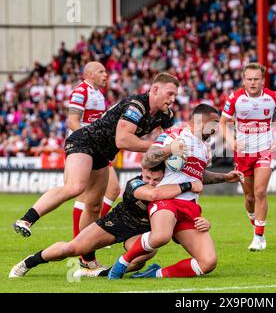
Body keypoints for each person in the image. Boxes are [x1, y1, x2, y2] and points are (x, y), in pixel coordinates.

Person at [12, 73, 179, 269]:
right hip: (84, 141)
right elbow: (122, 140)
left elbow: (172, 137)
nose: (173, 99)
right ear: (155, 90)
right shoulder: (137, 105)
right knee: (76, 186)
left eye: (175, 95)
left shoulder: (165, 114)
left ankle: (87, 258)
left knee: (93, 206)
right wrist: (160, 148)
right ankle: (27, 219)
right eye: (170, 94)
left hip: (103, 154)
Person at [107, 104, 244, 279]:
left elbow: (197, 176)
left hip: (190, 207)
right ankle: (123, 262)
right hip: (167, 199)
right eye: (214, 123)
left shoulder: (204, 148)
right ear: (200, 121)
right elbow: (147, 161)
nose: (216, 128)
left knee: (208, 262)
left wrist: (225, 177)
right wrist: (169, 150)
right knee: (161, 236)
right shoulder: (173, 136)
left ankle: (153, 274)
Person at [9, 163, 207, 278]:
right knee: (73, 249)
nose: (152, 182)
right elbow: (153, 194)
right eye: (148, 177)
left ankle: (97, 274)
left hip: (140, 232)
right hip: (117, 222)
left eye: (156, 179)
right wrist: (189, 184)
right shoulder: (135, 183)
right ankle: (29, 262)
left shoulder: (170, 189)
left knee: (142, 257)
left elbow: (181, 222)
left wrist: (204, 222)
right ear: (142, 170)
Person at [219, 62, 276, 251]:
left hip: (264, 150)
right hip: (242, 153)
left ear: (262, 80)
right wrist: (230, 141)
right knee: (249, 197)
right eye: (249, 79)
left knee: (260, 192)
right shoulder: (235, 98)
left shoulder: (274, 97)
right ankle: (257, 228)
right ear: (243, 80)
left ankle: (258, 236)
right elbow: (223, 121)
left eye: (256, 79)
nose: (252, 83)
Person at [65, 61, 121, 268]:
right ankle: (80, 242)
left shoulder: (98, 94)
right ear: (88, 74)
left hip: (97, 148)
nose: (106, 74)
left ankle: (93, 233)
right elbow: (73, 121)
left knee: (113, 189)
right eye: (101, 71)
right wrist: (86, 146)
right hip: (84, 149)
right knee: (85, 196)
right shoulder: (81, 91)